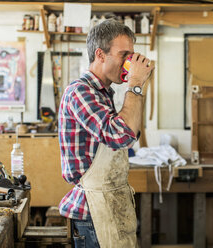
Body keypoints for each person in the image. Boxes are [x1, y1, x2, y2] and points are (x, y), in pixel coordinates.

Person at [58, 19, 154, 248]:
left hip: (109, 204)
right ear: (100, 55)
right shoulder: (80, 92)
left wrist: (137, 85)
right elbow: (120, 135)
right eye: (124, 55)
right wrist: (136, 83)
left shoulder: (104, 93)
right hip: (93, 211)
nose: (130, 62)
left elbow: (130, 135)